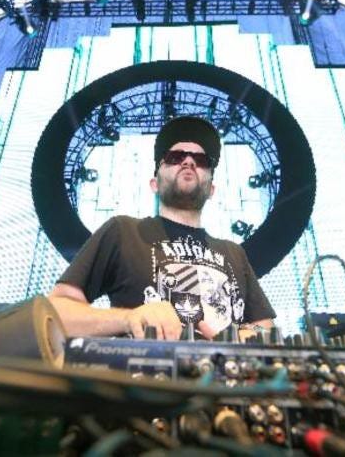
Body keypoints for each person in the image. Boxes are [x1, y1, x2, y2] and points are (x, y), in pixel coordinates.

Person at [49, 115, 276, 340]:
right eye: (175, 157)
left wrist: (241, 337)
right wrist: (129, 318)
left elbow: (267, 331)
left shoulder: (234, 254)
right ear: (154, 184)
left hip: (224, 364)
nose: (189, 162)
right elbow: (55, 313)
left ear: (211, 190)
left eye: (202, 160)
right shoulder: (122, 232)